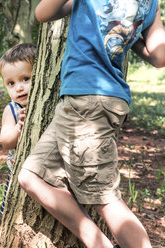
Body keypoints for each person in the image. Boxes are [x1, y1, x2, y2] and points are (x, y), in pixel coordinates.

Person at [17, 1, 165, 248]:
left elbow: (42, 13)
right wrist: (125, 33)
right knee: (31, 176)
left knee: (105, 198)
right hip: (99, 100)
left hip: (85, 100)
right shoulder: (150, 3)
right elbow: (160, 56)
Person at [0, 43, 37, 214]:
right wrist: (17, 128)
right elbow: (6, 142)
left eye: (25, 79)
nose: (18, 88)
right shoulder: (12, 109)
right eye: (11, 83)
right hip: (19, 174)